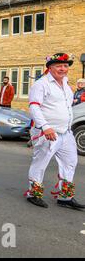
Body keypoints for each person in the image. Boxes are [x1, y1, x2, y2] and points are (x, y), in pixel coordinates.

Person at [26, 53, 85, 210]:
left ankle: (65, 196)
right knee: (40, 162)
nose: (63, 69)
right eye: (59, 65)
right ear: (50, 67)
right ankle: (34, 194)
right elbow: (34, 106)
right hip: (47, 133)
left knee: (70, 162)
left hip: (66, 133)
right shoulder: (41, 84)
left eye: (65, 66)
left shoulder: (65, 83)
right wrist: (45, 127)